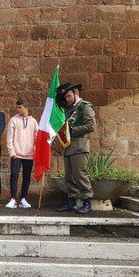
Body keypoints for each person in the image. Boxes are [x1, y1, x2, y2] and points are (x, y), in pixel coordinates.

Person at [55, 83, 96, 214]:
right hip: (69, 147)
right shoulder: (69, 109)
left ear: (76, 93)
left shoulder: (85, 106)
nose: (67, 99)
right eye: (65, 97)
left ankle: (87, 202)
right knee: (69, 177)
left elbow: (91, 126)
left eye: (69, 96)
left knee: (80, 175)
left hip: (79, 146)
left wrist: (72, 130)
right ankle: (72, 202)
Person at [5, 97, 38, 209]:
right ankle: (13, 199)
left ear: (26, 107)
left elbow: (37, 137)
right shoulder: (13, 120)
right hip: (16, 154)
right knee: (14, 175)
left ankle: (23, 199)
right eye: (17, 107)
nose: (17, 109)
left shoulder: (33, 122)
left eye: (20, 107)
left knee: (26, 177)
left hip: (29, 154)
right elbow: (9, 137)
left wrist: (36, 151)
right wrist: (12, 152)